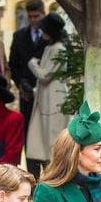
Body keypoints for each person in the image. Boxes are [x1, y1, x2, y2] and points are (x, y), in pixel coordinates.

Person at [26, 12, 70, 176]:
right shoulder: (51, 48)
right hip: (46, 99)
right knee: (45, 141)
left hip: (54, 101)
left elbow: (45, 75)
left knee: (52, 140)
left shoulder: (58, 49)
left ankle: (56, 175)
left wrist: (32, 63)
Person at [9, 0, 47, 173]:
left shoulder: (53, 37)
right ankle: (33, 177)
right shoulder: (19, 36)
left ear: (43, 14)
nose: (33, 20)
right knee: (30, 136)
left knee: (47, 134)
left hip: (48, 94)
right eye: (30, 16)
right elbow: (13, 64)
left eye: (37, 16)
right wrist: (21, 84)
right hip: (27, 95)